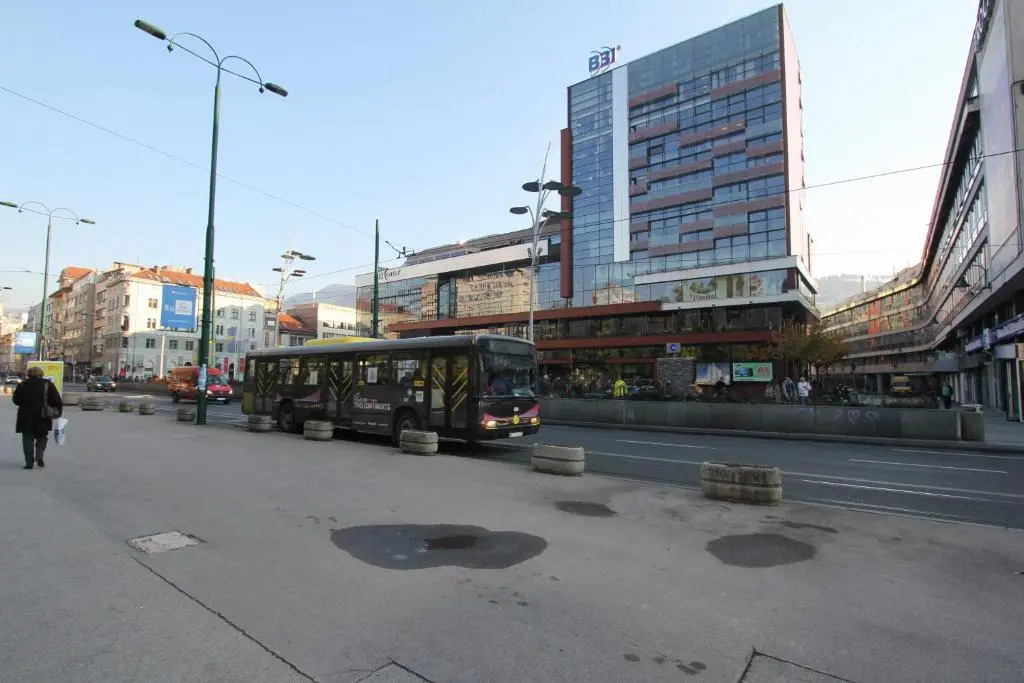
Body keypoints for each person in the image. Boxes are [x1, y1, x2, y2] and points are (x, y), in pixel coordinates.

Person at [12, 366, 63, 470]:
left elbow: (16, 400)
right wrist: (57, 412)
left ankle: (29, 463)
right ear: (41, 374)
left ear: (29, 374)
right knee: (42, 437)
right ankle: (39, 456)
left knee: (27, 439)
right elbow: (56, 400)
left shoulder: (23, 384)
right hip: (43, 416)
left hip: (26, 416)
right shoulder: (47, 384)